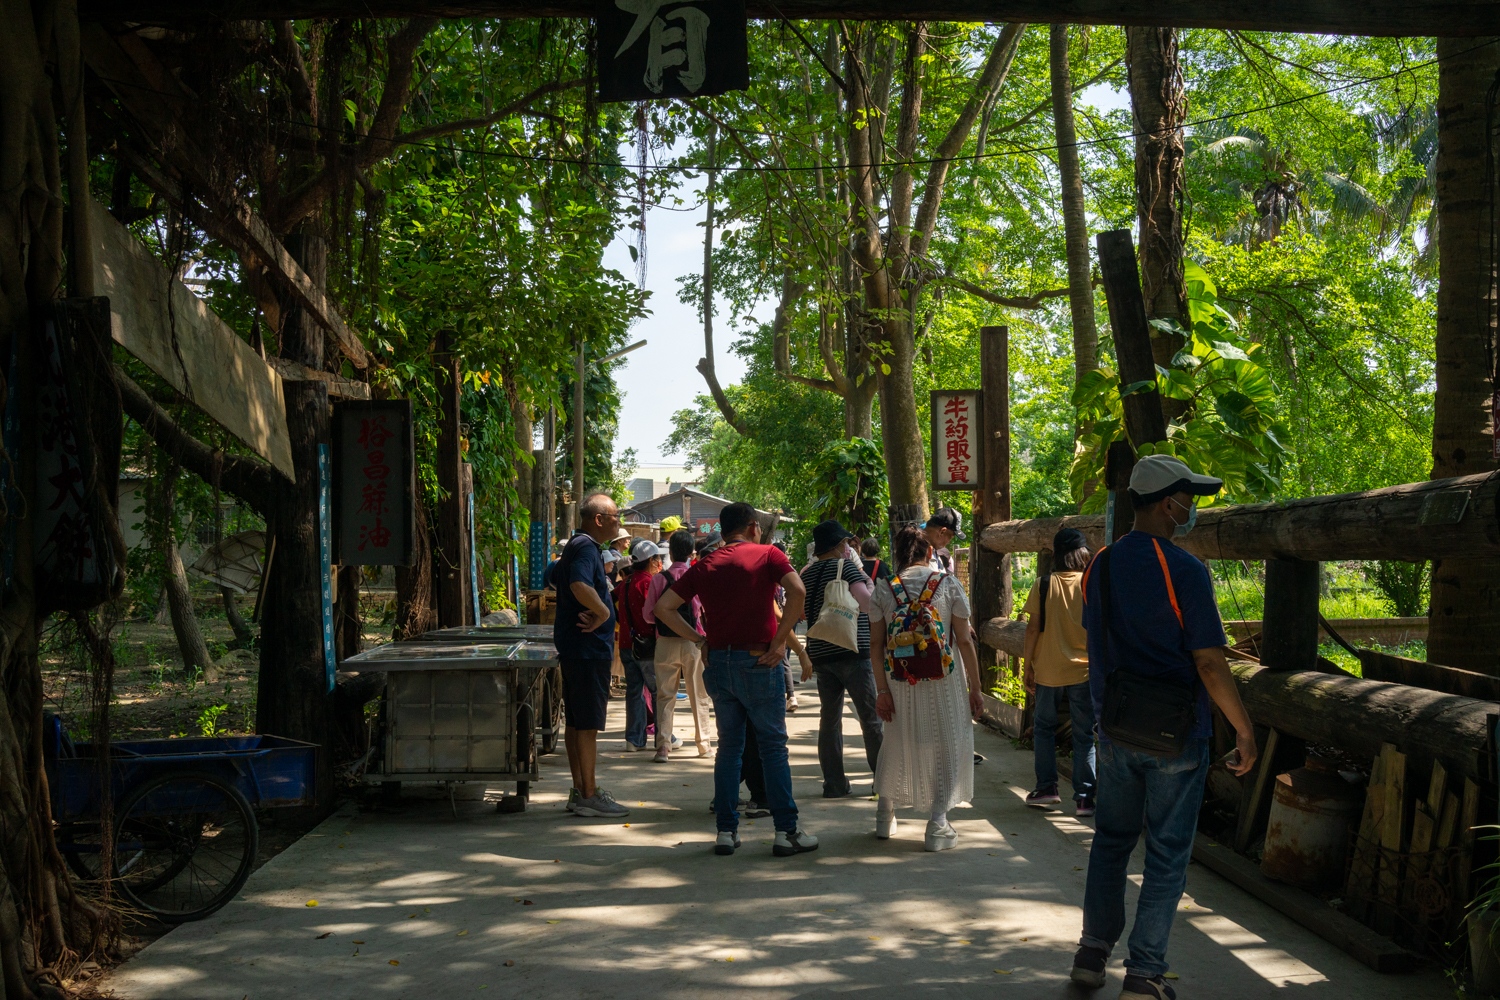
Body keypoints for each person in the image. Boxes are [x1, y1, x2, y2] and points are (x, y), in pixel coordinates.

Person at [1070, 454, 1258, 1000]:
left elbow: (1097, 638)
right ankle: (1145, 974)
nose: (1191, 507)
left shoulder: (1100, 565)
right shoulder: (1186, 570)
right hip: (1176, 734)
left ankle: (1091, 952)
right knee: (1167, 853)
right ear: (1164, 503)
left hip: (1117, 729)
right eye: (1187, 497)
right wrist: (1242, 728)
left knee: (1110, 842)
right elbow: (1209, 661)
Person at [654, 502, 818, 858]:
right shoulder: (768, 555)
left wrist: (699, 639)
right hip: (760, 659)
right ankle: (786, 832)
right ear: (753, 527)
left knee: (729, 749)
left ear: (724, 530)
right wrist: (780, 641)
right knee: (773, 747)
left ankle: (726, 832)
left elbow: (663, 608)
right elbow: (798, 591)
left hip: (719, 662)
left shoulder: (705, 565)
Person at [870, 525, 984, 851]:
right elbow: (963, 640)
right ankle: (937, 824)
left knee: (896, 740)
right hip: (944, 680)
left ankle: (884, 814)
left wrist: (881, 691)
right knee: (947, 744)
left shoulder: (884, 590)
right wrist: (975, 688)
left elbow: (876, 646)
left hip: (899, 679)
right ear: (929, 553)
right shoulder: (947, 585)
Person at [552, 492, 630, 819]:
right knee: (587, 725)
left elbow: (555, 578)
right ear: (598, 519)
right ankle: (588, 794)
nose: (619, 522)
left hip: (577, 649)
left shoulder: (578, 546)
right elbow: (578, 584)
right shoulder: (585, 547)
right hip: (586, 651)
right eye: (615, 517)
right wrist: (600, 612)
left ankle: (580, 789)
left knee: (577, 721)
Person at [800, 520, 882, 799]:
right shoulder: (846, 567)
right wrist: (867, 581)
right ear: (837, 546)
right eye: (845, 543)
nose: (849, 547)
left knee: (829, 719)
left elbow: (802, 612)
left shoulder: (807, 574)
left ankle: (834, 784)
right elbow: (867, 604)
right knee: (870, 717)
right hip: (853, 651)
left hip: (821, 653)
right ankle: (882, 781)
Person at [1022, 528, 1097, 816]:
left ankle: (1047, 789)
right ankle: (1084, 799)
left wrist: (1028, 665)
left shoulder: (1043, 584)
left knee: (1043, 729)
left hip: (1049, 670)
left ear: (1056, 555)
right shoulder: (1090, 584)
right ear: (1082, 553)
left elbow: (1032, 629)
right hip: (1085, 672)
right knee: (1084, 736)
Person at [643, 529, 714, 760]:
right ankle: (703, 744)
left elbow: (648, 615)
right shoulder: (697, 576)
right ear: (691, 553)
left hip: (664, 642)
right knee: (698, 693)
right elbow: (704, 610)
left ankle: (663, 746)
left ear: (670, 553)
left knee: (665, 695)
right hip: (693, 641)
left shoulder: (658, 579)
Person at [619, 539, 663, 753]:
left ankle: (633, 739)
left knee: (634, 691)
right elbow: (654, 613)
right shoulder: (648, 583)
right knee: (657, 691)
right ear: (651, 561)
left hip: (626, 644)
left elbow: (610, 601)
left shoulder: (625, 582)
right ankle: (663, 738)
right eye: (658, 558)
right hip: (646, 647)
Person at [922, 507, 964, 573]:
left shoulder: (932, 549)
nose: (949, 542)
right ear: (942, 532)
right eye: (950, 537)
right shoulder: (915, 551)